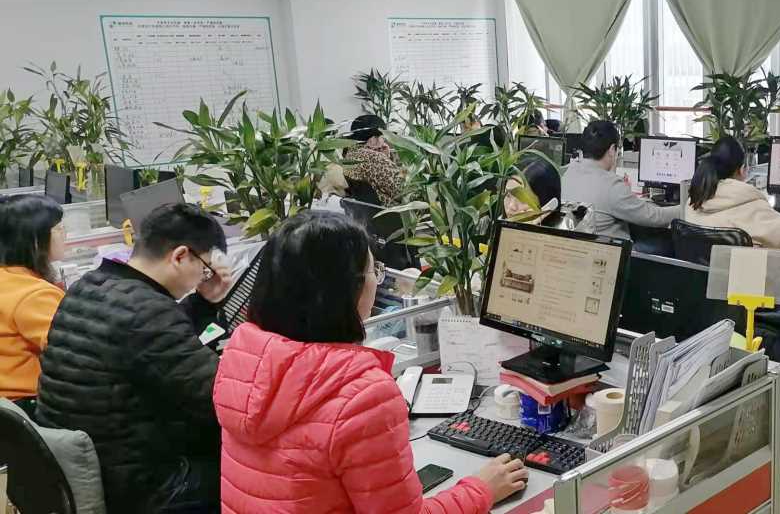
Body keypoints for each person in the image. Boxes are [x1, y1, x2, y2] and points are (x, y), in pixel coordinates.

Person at [213, 212, 526, 513]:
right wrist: (482, 489)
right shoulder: (363, 396)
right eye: (374, 270)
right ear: (346, 290)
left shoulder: (243, 364)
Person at [36, 203, 234, 513]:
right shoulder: (148, 312)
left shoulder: (91, 284)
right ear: (180, 256)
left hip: (77, 468)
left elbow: (149, 340)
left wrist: (203, 303)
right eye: (205, 269)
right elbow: (220, 400)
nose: (202, 278)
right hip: (137, 487)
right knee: (252, 467)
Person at [0, 194, 66, 415]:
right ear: (35, 239)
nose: (64, 234)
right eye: (58, 229)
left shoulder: (8, 278)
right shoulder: (34, 295)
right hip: (28, 407)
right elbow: (71, 352)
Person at [561, 120, 681, 240]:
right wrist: (686, 207)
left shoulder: (568, 173)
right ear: (612, 149)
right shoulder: (612, 186)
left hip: (579, 247)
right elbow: (656, 217)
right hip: (612, 250)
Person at [344, 114, 405, 206]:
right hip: (391, 211)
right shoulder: (376, 159)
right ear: (373, 139)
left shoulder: (350, 155)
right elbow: (403, 189)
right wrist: (405, 169)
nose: (384, 141)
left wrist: (386, 158)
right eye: (383, 136)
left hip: (365, 210)